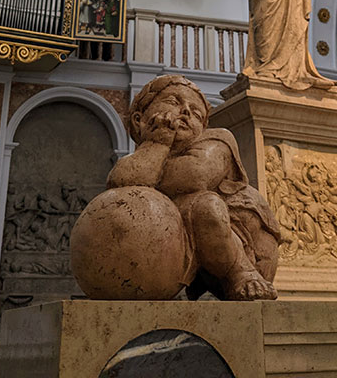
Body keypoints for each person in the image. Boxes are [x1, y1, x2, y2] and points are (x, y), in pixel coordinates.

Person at [107, 74, 280, 301]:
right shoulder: (150, 151)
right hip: (188, 248)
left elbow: (194, 176)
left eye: (197, 113)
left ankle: (241, 273)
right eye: (173, 102)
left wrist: (154, 158)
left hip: (248, 246)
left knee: (206, 206)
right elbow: (120, 181)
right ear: (140, 120)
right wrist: (156, 145)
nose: (186, 112)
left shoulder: (218, 140)